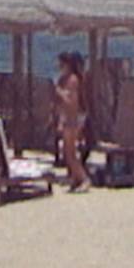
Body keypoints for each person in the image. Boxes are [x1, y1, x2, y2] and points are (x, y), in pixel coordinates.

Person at [49, 51, 93, 191]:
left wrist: (59, 92)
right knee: (67, 153)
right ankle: (76, 178)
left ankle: (84, 179)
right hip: (67, 118)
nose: (59, 67)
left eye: (61, 64)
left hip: (73, 119)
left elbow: (71, 101)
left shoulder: (73, 80)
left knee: (70, 152)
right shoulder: (64, 79)